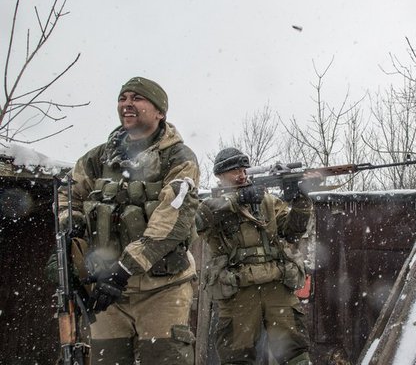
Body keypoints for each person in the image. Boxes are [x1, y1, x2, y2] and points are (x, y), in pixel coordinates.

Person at [55, 76, 200, 364]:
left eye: (137, 98)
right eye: (123, 98)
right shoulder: (96, 158)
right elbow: (66, 197)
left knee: (165, 358)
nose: (127, 104)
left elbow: (173, 219)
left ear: (159, 111)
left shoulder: (178, 157)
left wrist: (123, 270)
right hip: (106, 292)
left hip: (161, 288)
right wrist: (71, 236)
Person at [196, 148, 317, 365]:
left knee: (295, 351)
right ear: (220, 176)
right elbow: (199, 220)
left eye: (244, 169)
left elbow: (292, 231)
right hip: (238, 290)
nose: (242, 175)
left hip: (276, 285)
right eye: (234, 171)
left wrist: (300, 200)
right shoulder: (210, 205)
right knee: (237, 356)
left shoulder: (267, 202)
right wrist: (237, 200)